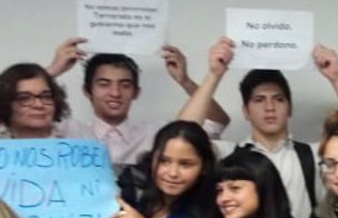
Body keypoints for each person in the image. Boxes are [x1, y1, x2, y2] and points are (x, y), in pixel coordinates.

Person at [177, 37, 338, 218]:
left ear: (289, 108)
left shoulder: (313, 155)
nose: (270, 107)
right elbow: (179, 137)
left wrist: (336, 79)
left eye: (278, 99)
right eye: (259, 100)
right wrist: (213, 75)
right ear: (246, 111)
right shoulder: (227, 155)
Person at [59, 47, 228, 168]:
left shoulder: (156, 133)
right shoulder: (67, 132)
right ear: (87, 91)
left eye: (125, 85)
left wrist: (185, 81)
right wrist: (53, 71)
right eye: (104, 84)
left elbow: (215, 121)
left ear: (136, 92)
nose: (115, 93)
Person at [0, 63, 69, 139]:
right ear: (5, 104)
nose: (39, 105)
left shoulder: (73, 148)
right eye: (25, 98)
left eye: (46, 97)